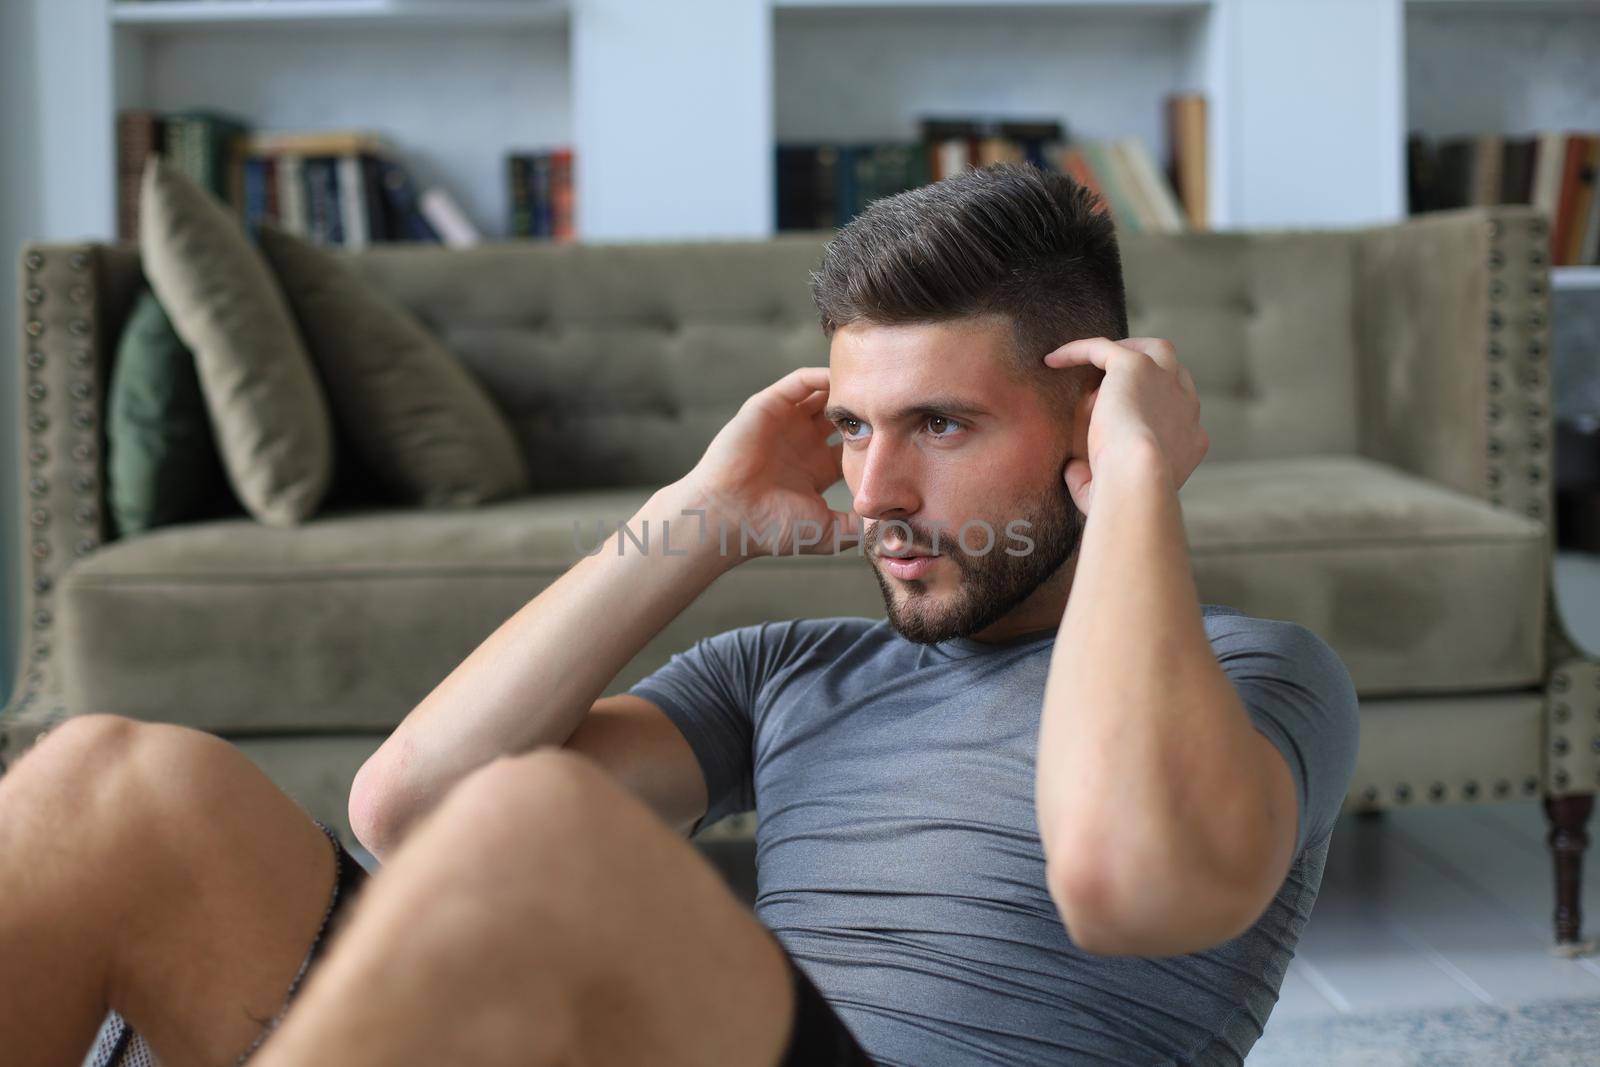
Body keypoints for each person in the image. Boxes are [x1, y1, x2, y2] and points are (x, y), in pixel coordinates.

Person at [0, 162, 1359, 1067]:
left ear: (1088, 413)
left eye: (939, 425)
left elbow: (1130, 881)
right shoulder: (788, 671)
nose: (875, 489)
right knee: (108, 786)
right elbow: (404, 811)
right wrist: (697, 516)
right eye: (849, 429)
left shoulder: (1254, 679)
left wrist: (1133, 487)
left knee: (547, 832)